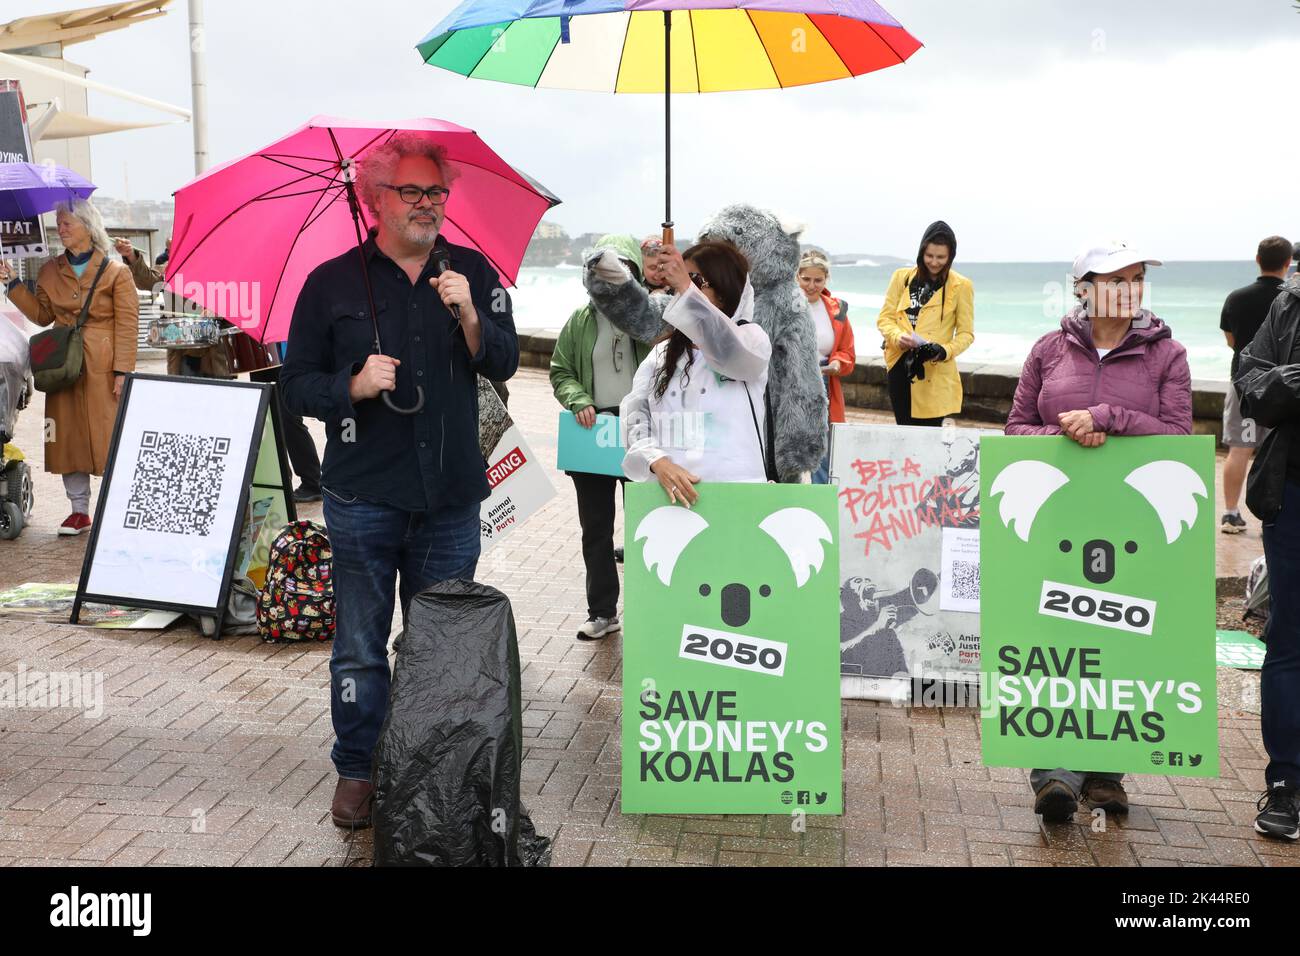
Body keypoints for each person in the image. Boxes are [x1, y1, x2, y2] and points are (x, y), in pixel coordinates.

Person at [278, 133, 518, 830]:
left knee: (442, 647)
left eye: (435, 192)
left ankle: (432, 771)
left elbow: (500, 360)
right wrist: (351, 385)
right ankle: (358, 770)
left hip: (450, 496)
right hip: (362, 496)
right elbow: (293, 387)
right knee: (358, 644)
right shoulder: (330, 284)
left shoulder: (471, 272)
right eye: (410, 191)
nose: (425, 204)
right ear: (373, 197)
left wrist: (471, 314)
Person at [1007, 239, 1191, 822]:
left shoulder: (1169, 355)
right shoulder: (1048, 350)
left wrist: (1109, 419)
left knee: (1122, 638)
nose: (1131, 288)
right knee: (1055, 642)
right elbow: (1016, 430)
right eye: (1117, 278)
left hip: (1133, 526)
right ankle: (1055, 772)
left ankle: (1107, 771)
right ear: (1084, 289)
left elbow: (1180, 439)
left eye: (1137, 278)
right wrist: (1064, 439)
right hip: (1056, 525)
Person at [0, 200, 138, 534]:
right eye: (59, 224)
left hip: (102, 364)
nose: (60, 229)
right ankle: (79, 511)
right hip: (62, 365)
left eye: (66, 224)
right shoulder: (49, 270)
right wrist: (13, 283)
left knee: (108, 435)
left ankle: (113, 505)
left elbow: (128, 323)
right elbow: (42, 316)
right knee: (67, 437)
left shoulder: (116, 271)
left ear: (88, 227)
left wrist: (123, 371)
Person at [550, 235, 655, 641]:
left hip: (641, 432)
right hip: (592, 432)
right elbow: (560, 370)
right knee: (596, 529)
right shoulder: (579, 320)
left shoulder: (649, 319)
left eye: (622, 269)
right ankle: (602, 612)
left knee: (646, 526)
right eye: (602, 272)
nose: (612, 279)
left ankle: (651, 609)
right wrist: (577, 399)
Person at [622, 240, 771, 498]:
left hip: (739, 497)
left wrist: (684, 285)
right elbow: (635, 416)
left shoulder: (751, 340)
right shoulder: (662, 352)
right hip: (673, 499)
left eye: (695, 280)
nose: (683, 287)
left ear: (724, 293)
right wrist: (658, 461)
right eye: (681, 278)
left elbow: (728, 350)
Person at [1233, 269, 1300, 840]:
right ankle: (1286, 786)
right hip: (1293, 494)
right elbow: (1249, 381)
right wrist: (1294, 381)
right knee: (1289, 640)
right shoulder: (1289, 303)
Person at [1218, 236, 1291, 533]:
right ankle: (1273, 516)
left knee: (1240, 448)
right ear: (1288, 263)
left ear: (1257, 259)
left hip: (1244, 387)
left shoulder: (1236, 297)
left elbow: (1231, 341)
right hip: (1284, 392)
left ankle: (1232, 514)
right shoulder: (1291, 299)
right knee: (1282, 452)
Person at [877, 221, 974, 426]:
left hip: (934, 371)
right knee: (904, 432)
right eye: (929, 256)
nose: (934, 262)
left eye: (941, 257)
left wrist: (943, 350)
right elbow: (885, 318)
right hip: (899, 366)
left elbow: (966, 334)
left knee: (929, 438)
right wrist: (897, 336)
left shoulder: (961, 286)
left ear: (951, 257)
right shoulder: (901, 277)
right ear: (921, 252)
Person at [114, 236, 232, 380]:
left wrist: (218, 309)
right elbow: (147, 279)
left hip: (215, 354)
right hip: (182, 351)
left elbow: (237, 299)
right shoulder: (170, 270)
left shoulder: (220, 267)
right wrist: (131, 256)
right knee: (184, 395)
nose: (172, 254)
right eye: (170, 251)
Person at [798, 249, 855, 483]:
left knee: (824, 449)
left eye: (818, 280)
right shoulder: (784, 306)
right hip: (792, 381)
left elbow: (848, 352)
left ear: (826, 279)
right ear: (796, 276)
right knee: (789, 445)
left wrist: (837, 363)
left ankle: (821, 500)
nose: (811, 286)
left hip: (824, 382)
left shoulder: (838, 309)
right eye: (806, 279)